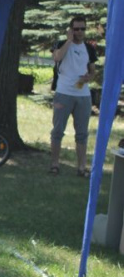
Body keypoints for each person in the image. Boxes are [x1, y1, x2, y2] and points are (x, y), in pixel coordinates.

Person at [49, 15, 98, 177]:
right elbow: (56, 57)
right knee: (58, 130)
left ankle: (81, 168)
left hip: (82, 95)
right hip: (63, 93)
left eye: (82, 29)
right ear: (71, 29)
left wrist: (88, 78)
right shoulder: (62, 44)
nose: (79, 32)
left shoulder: (89, 48)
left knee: (82, 133)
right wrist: (69, 40)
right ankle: (55, 164)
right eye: (76, 29)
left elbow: (92, 71)